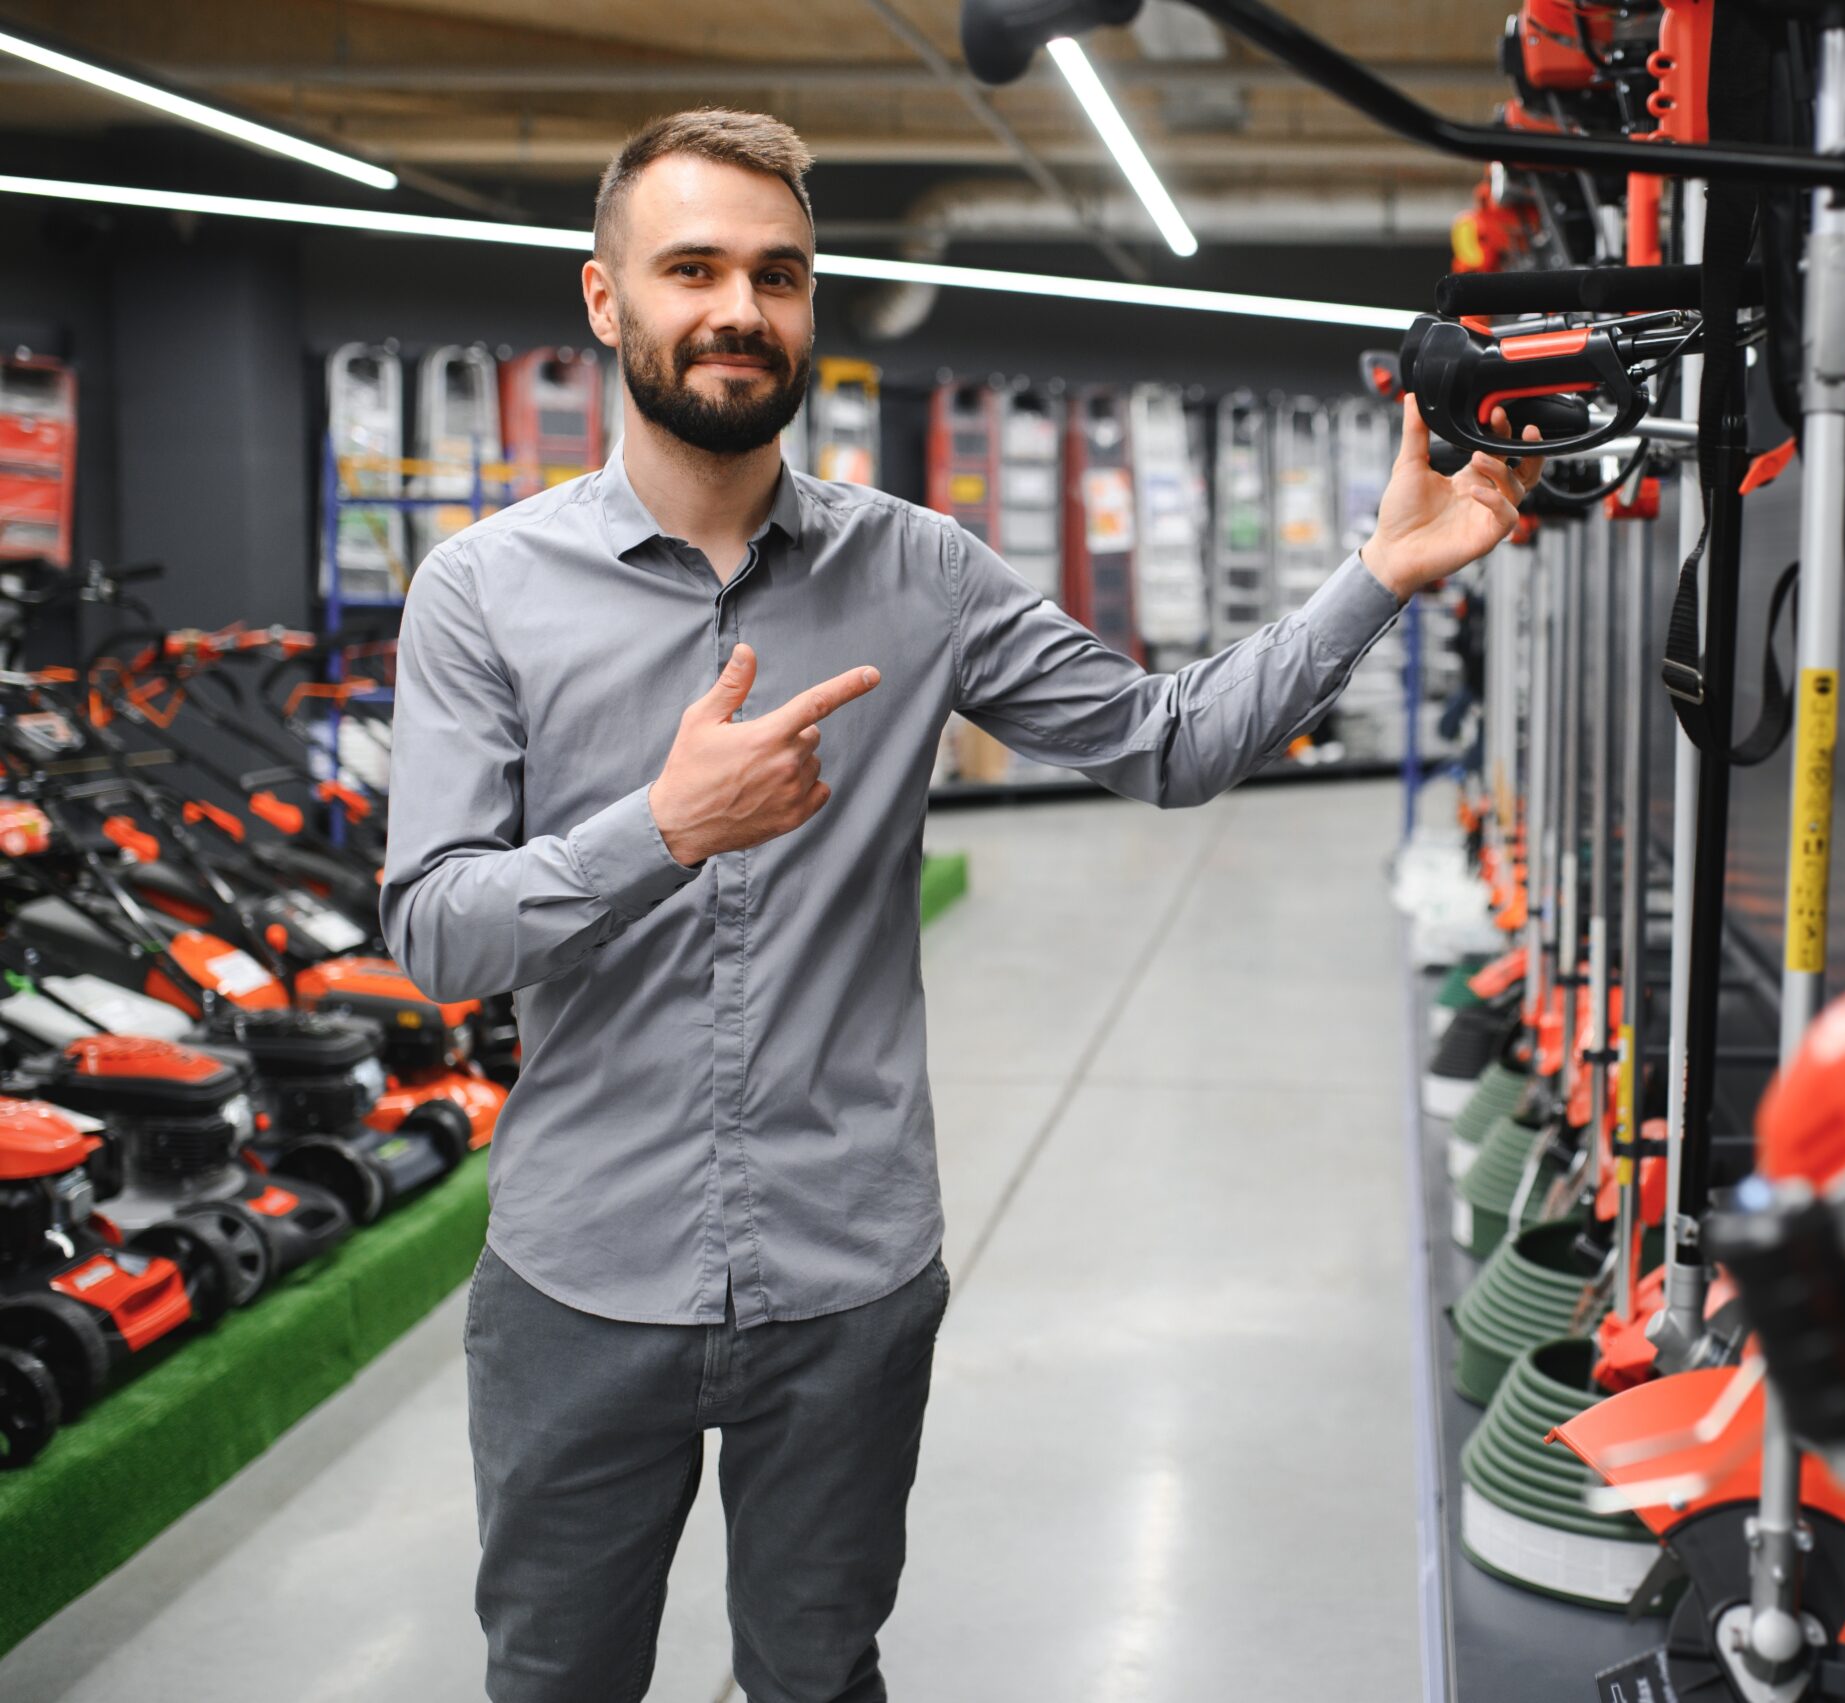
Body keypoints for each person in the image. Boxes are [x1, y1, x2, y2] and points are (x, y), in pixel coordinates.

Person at [383, 107, 1541, 1703]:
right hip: (582, 1282)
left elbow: (1172, 742)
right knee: (556, 1680)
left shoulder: (917, 571)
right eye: (693, 268)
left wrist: (1382, 575)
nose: (739, 308)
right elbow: (436, 933)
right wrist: (664, 825)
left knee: (818, 1673)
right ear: (606, 301)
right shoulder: (482, 592)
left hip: (847, 1276)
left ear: (812, 302)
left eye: (777, 275)